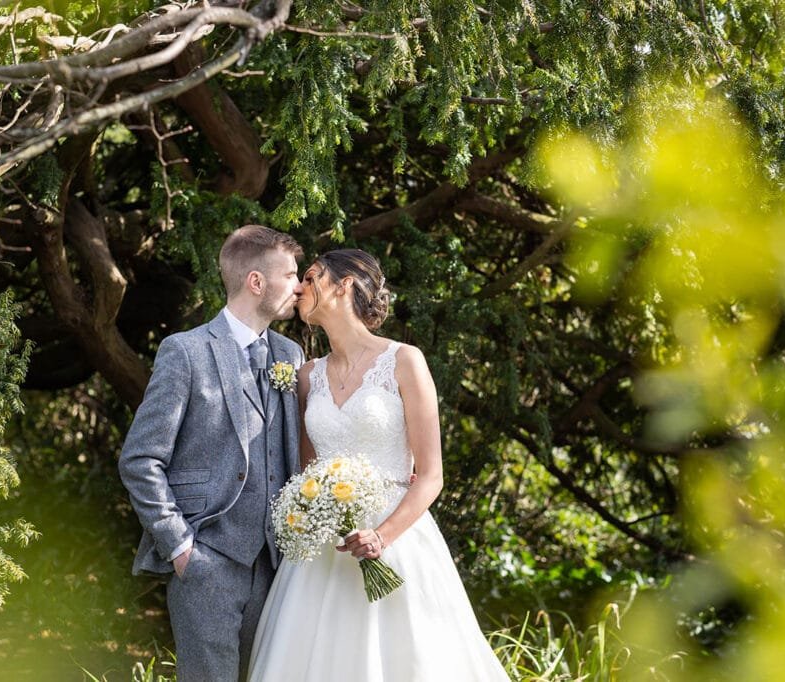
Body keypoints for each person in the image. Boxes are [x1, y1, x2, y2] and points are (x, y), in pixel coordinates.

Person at [247, 249, 511, 681]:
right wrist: (313, 512)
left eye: (311, 278)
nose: (299, 288)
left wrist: (381, 536)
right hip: (324, 552)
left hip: (398, 539)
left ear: (345, 284)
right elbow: (307, 472)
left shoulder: (405, 361)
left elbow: (430, 475)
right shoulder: (306, 377)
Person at [119, 225, 305, 682]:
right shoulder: (186, 352)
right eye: (291, 274)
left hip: (277, 566)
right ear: (256, 282)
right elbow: (141, 459)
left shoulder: (291, 354)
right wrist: (180, 546)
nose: (300, 287)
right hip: (207, 558)